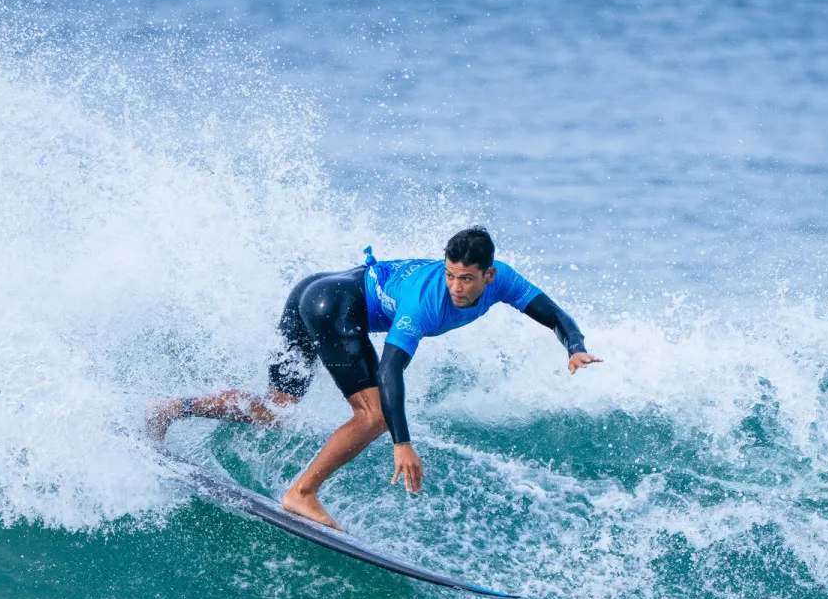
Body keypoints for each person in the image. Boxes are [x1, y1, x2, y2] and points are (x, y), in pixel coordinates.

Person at [146, 226, 601, 529]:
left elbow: (553, 313)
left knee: (277, 407)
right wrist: (402, 443)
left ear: (489, 275)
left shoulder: (505, 282)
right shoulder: (425, 303)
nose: (456, 288)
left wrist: (575, 347)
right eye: (450, 276)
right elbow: (389, 369)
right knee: (373, 416)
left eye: (466, 278)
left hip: (313, 290)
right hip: (333, 305)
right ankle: (302, 492)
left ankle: (170, 408)